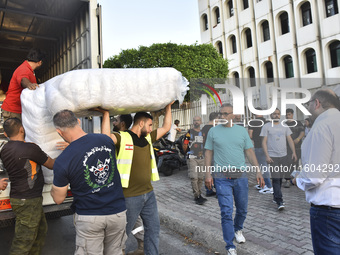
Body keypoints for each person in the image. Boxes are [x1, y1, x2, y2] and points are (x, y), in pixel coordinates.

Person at [97, 103, 172, 255]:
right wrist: (106, 113)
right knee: (121, 233)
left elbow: (166, 127)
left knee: (153, 229)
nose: (151, 129)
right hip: (129, 195)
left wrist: (169, 106)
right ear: (141, 123)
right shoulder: (123, 137)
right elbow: (106, 138)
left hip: (148, 193)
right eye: (150, 125)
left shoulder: (148, 138)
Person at [51, 110, 127, 255]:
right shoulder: (105, 140)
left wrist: (53, 190)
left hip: (90, 216)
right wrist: (105, 113)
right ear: (78, 122)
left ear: (59, 132)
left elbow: (59, 199)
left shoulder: (63, 160)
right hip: (118, 213)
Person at [205, 103, 264, 255]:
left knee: (242, 209)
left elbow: (250, 152)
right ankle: (230, 245)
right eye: (221, 114)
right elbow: (208, 153)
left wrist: (258, 171)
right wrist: (207, 174)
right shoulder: (213, 131)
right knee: (226, 211)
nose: (222, 117)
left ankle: (238, 229)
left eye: (226, 114)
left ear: (233, 115)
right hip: (221, 177)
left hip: (240, 176)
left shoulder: (241, 131)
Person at [0, 118, 54, 255]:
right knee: (23, 242)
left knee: (40, 231)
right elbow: (52, 164)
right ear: (22, 130)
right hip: (27, 200)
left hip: (26, 199)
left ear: (6, 135)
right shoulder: (30, 148)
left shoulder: (5, 149)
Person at [295, 89, 340, 255]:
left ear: (317, 103)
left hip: (329, 210)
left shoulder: (322, 126)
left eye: (309, 104)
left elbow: (314, 176)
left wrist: (298, 179)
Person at [114, 114, 144, 255]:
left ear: (122, 124)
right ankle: (142, 244)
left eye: (116, 121)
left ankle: (121, 249)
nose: (113, 122)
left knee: (122, 221)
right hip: (133, 187)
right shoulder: (133, 137)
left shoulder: (119, 138)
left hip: (122, 188)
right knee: (135, 218)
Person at [260, 108, 297, 210]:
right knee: (276, 178)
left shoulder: (284, 126)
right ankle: (279, 201)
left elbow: (289, 139)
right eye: (274, 114)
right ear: (271, 115)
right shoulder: (266, 127)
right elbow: (264, 142)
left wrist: (293, 152)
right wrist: (267, 156)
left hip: (284, 156)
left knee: (280, 178)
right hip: (272, 157)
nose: (276, 115)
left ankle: (275, 196)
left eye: (278, 114)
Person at [1, 48, 45, 121]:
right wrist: (29, 84)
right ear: (39, 62)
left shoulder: (30, 71)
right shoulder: (24, 69)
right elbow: (23, 79)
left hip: (20, 110)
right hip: (13, 110)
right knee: (15, 132)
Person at [183, 116, 207, 205]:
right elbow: (185, 145)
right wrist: (187, 154)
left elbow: (204, 143)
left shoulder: (203, 133)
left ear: (200, 122)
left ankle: (199, 194)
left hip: (201, 158)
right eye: (194, 121)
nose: (196, 122)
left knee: (200, 177)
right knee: (194, 177)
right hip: (192, 158)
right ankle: (196, 196)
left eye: (197, 120)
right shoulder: (189, 133)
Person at [248, 108, 273, 194]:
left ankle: (268, 186)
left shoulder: (253, 122)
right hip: (268, 146)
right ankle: (262, 183)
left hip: (258, 146)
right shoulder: (267, 122)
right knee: (264, 166)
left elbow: (250, 135)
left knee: (262, 166)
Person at [284, 108, 304, 188]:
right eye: (287, 114)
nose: (288, 116)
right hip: (287, 147)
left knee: (295, 163)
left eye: (289, 114)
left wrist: (298, 139)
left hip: (297, 147)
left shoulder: (298, 123)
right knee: (288, 163)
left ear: (292, 115)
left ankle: (295, 179)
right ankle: (288, 180)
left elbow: (302, 132)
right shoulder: (284, 124)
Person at [201, 111, 219, 197]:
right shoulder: (215, 128)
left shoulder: (204, 128)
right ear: (216, 119)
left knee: (208, 172)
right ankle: (219, 190)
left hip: (206, 152)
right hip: (215, 153)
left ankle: (209, 190)